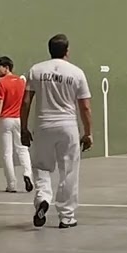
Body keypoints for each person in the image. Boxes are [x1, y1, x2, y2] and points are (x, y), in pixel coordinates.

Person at [21, 34, 92, 229]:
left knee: (41, 166)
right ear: (67, 51)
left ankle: (43, 198)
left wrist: (24, 128)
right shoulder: (77, 73)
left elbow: (26, 101)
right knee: (68, 171)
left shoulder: (36, 70)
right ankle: (66, 216)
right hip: (68, 127)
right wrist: (88, 133)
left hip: (43, 126)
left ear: (49, 50)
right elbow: (85, 107)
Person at [0, 56, 34, 193]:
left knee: (7, 154)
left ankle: (12, 185)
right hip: (19, 120)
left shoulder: (0, 83)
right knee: (22, 149)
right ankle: (27, 174)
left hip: (6, 121)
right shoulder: (21, 81)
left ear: (6, 67)